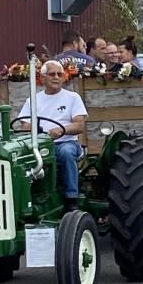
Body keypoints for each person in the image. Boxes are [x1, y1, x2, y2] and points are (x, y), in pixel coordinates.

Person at [18, 60, 88, 211]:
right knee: (20, 159)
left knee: (66, 153)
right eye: (51, 74)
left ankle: (71, 198)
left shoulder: (72, 97)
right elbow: (24, 126)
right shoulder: (33, 100)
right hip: (41, 145)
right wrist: (37, 129)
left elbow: (79, 125)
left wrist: (61, 130)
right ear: (42, 78)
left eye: (59, 74)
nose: (56, 77)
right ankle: (26, 199)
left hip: (65, 142)